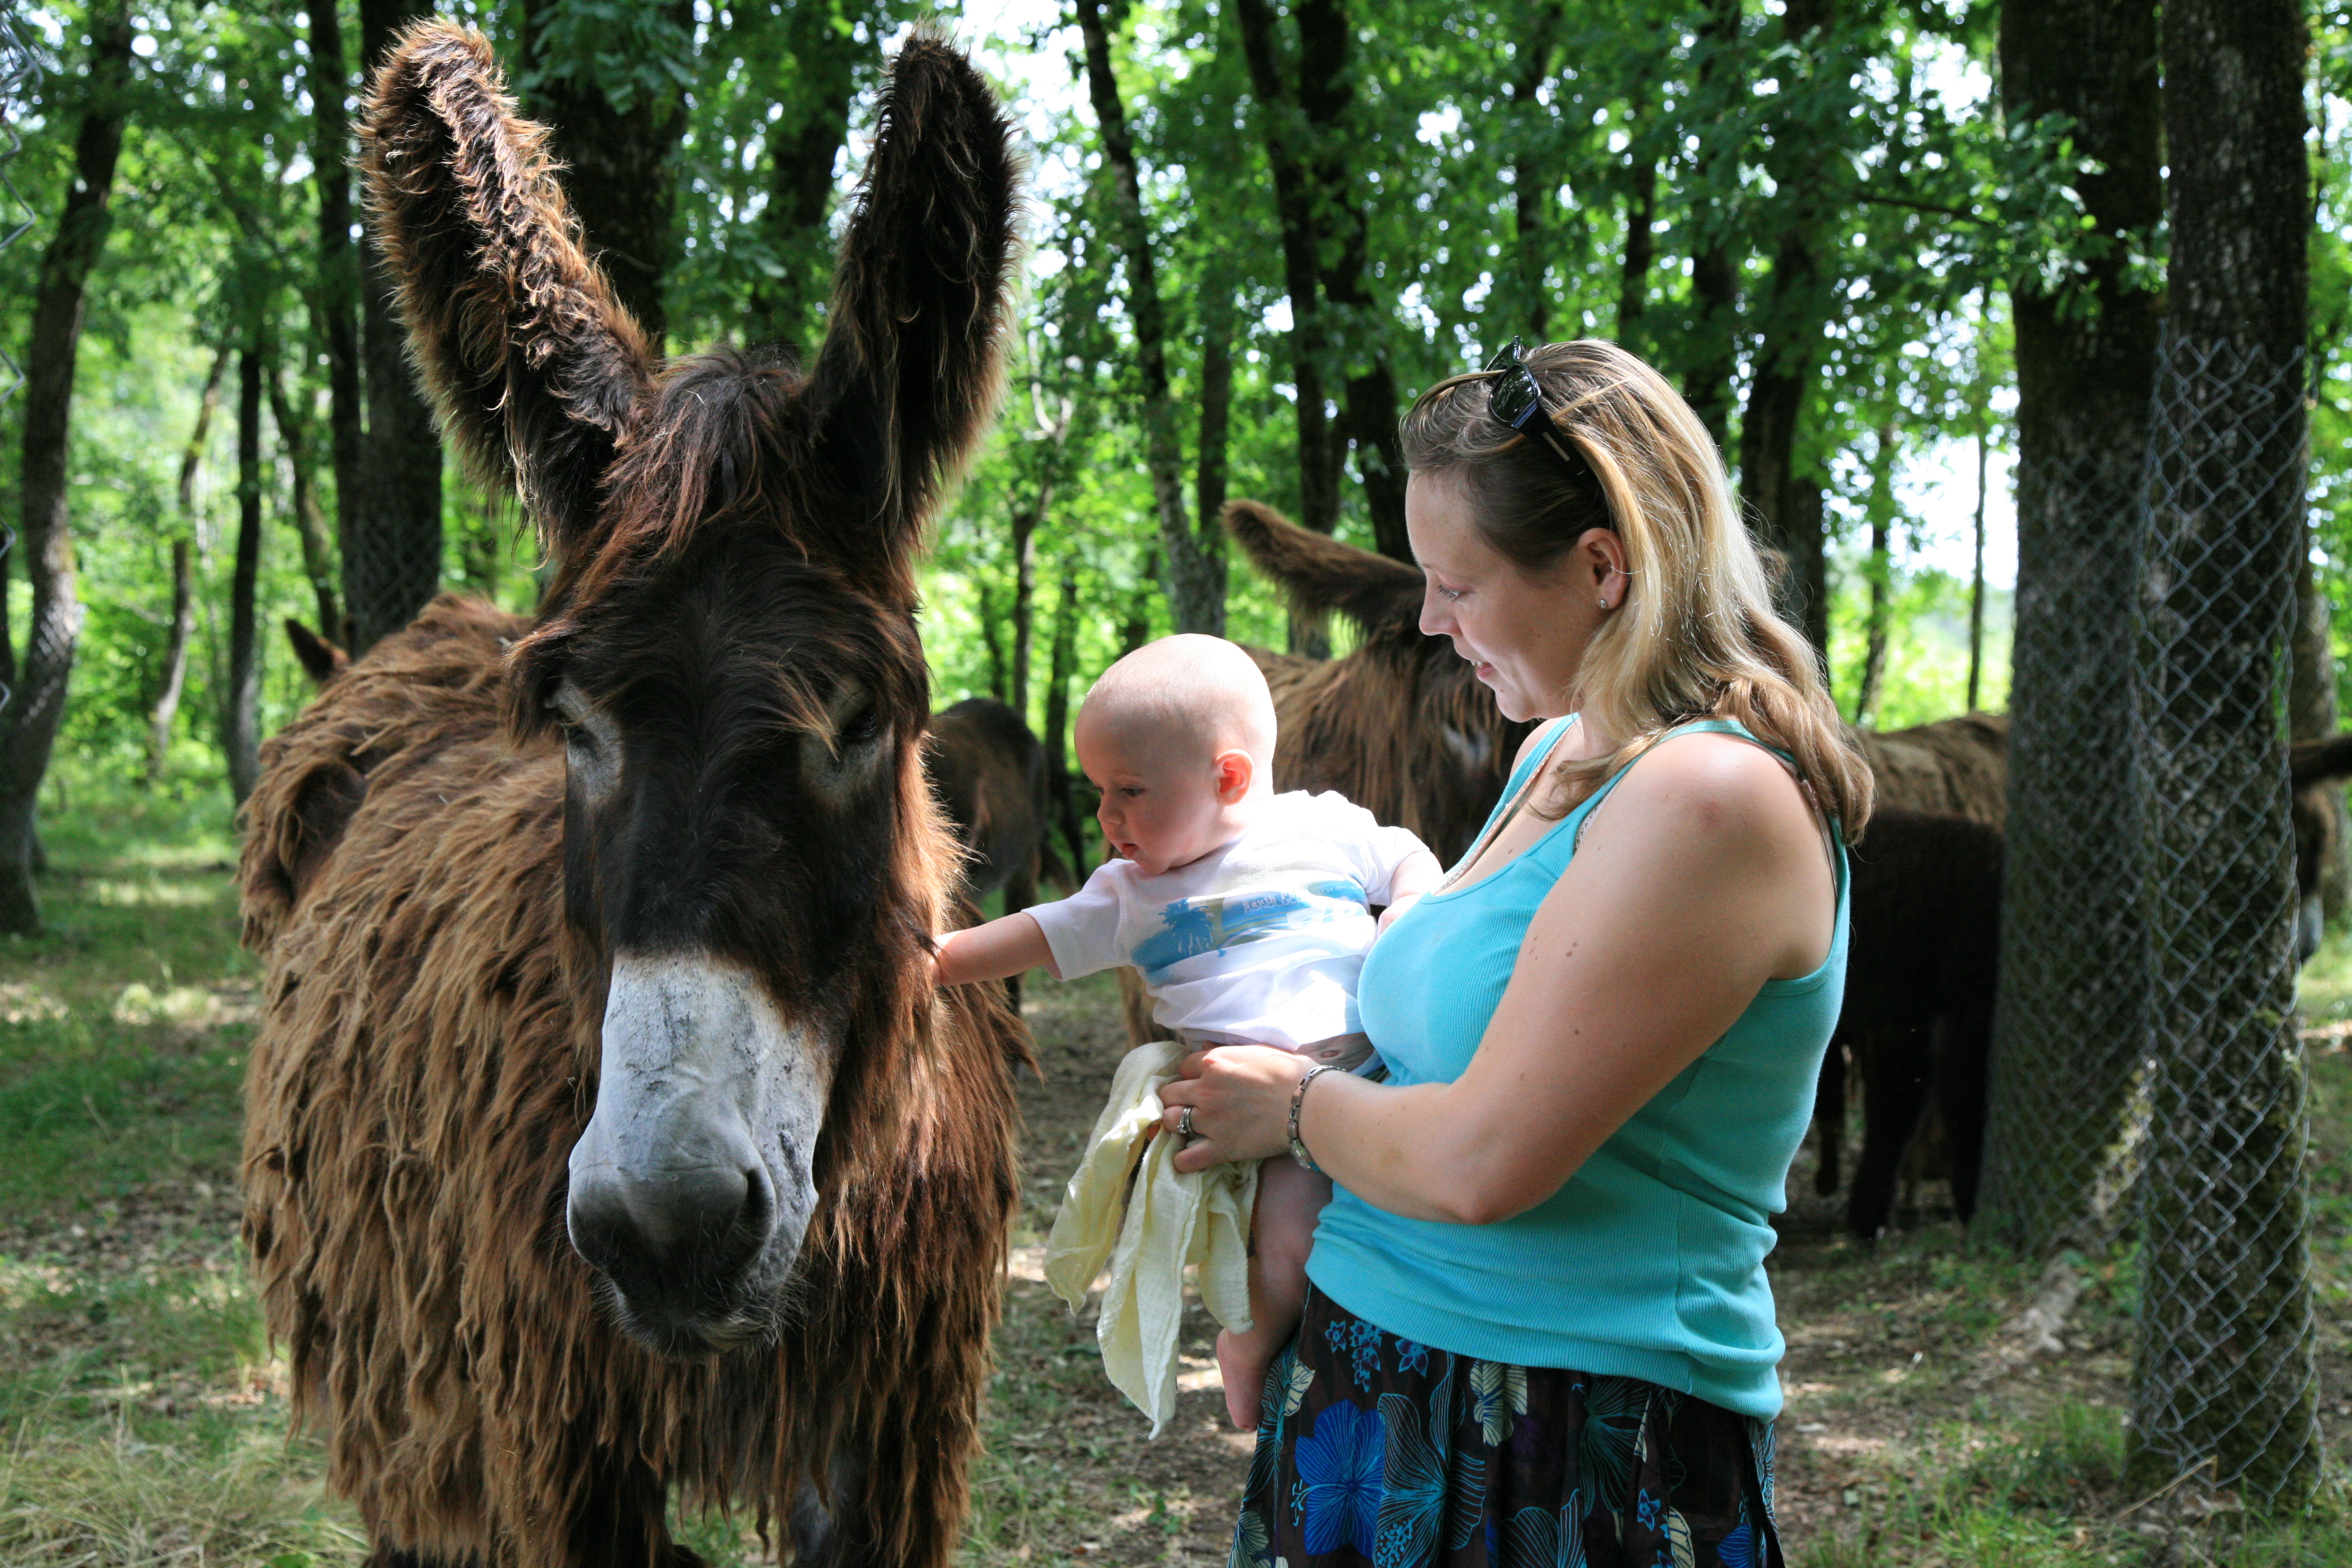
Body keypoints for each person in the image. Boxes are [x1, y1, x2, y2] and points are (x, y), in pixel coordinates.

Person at [1158, 340, 1871, 1568]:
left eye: (1460, 585)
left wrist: (1298, 1108)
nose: (1433, 622)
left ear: (1602, 566)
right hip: (1373, 1386)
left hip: (1561, 1436)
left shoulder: (1712, 798)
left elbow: (1487, 1159)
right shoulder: (1561, 755)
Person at [934, 634, 1443, 1430]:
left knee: (1401, 1231)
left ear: (1230, 778)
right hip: (1269, 1115)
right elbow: (1038, 932)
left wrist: (1410, 904)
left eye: (1130, 790)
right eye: (1100, 790)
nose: (1107, 816)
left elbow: (1406, 856)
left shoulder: (1322, 827)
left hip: (1381, 1077)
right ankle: (1249, 1344)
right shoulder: (1129, 896)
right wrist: (932, 962)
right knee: (1289, 1247)